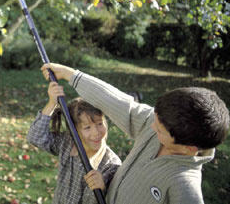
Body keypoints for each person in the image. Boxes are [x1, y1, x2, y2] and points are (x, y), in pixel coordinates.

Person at [40, 63, 230, 204]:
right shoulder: (155, 122)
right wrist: (71, 75)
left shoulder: (185, 188)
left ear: (189, 148)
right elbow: (116, 102)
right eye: (154, 119)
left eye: (160, 129)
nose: (152, 127)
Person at [27, 81, 121, 204]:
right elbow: (35, 137)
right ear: (73, 131)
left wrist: (101, 188)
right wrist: (51, 103)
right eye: (87, 127)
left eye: (100, 124)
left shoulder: (110, 165)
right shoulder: (67, 143)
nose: (96, 133)